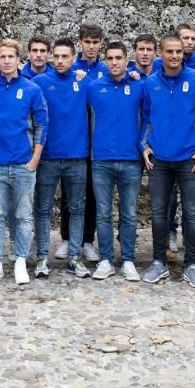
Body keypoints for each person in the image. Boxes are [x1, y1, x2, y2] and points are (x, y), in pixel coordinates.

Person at [141, 33, 195, 287]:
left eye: (179, 51)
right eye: (169, 51)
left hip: (189, 159)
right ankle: (159, 262)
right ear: (160, 54)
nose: (175, 56)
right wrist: (144, 145)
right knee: (159, 213)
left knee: (192, 214)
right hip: (160, 159)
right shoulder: (150, 83)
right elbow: (145, 118)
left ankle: (192, 264)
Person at [0, 39, 48, 286]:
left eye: (11, 56)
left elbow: (42, 124)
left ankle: (20, 260)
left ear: (19, 60)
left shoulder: (32, 89)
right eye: (2, 57)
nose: (6, 61)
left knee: (23, 216)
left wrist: (35, 158)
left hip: (23, 163)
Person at [87, 41, 146, 282]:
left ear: (126, 60)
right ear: (105, 61)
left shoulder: (139, 86)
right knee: (103, 213)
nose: (114, 62)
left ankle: (129, 260)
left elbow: (151, 116)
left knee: (129, 213)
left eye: (118, 58)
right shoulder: (93, 87)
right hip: (101, 159)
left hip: (131, 159)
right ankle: (106, 260)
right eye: (110, 58)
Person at [33, 38, 90, 278]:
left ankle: (75, 257)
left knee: (77, 208)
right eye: (55, 56)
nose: (59, 61)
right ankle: (42, 257)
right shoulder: (39, 83)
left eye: (65, 56)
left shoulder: (84, 82)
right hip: (48, 157)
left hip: (77, 157)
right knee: (43, 209)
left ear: (74, 58)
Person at [62, 23, 106, 263]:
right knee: (70, 193)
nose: (91, 46)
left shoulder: (105, 69)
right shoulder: (71, 66)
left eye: (95, 42)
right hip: (73, 140)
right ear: (80, 43)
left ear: (101, 44)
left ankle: (88, 240)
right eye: (87, 42)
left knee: (92, 193)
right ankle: (68, 238)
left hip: (97, 143)